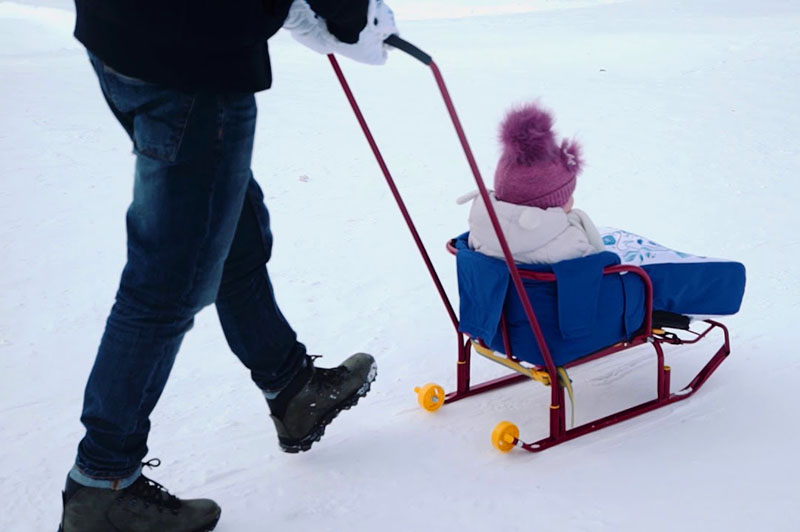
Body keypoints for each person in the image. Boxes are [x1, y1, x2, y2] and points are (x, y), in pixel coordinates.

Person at [59, 1, 398, 531]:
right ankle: (103, 481)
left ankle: (290, 387)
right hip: (191, 57)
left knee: (227, 225)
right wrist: (350, 13)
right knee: (166, 282)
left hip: (124, 33)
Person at [458, 102, 604, 264]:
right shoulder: (572, 245)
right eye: (567, 195)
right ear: (551, 206)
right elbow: (600, 270)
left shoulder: (479, 234)